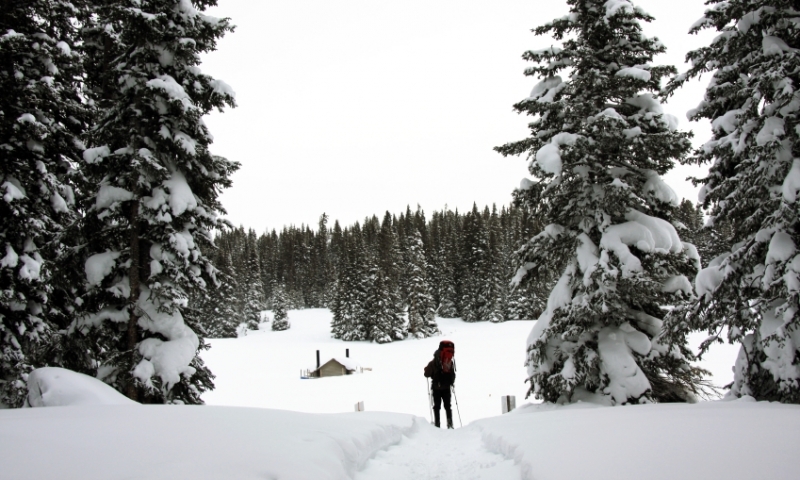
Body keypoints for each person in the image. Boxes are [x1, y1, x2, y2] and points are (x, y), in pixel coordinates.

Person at [424, 340, 456, 428]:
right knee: (448, 406)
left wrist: (427, 369)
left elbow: (426, 374)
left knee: (437, 407)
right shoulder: (449, 361)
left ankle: (437, 425)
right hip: (446, 387)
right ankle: (450, 425)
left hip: (436, 388)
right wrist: (451, 382)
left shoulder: (434, 362)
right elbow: (452, 374)